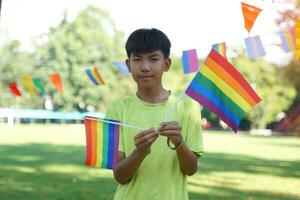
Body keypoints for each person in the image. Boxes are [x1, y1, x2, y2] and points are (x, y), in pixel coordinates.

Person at [105, 28, 203, 200]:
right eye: (137, 59)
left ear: (166, 64)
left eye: (153, 59)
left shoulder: (188, 106)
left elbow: (191, 169)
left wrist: (178, 142)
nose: (145, 67)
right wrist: (140, 152)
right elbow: (119, 176)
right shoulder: (117, 109)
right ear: (128, 65)